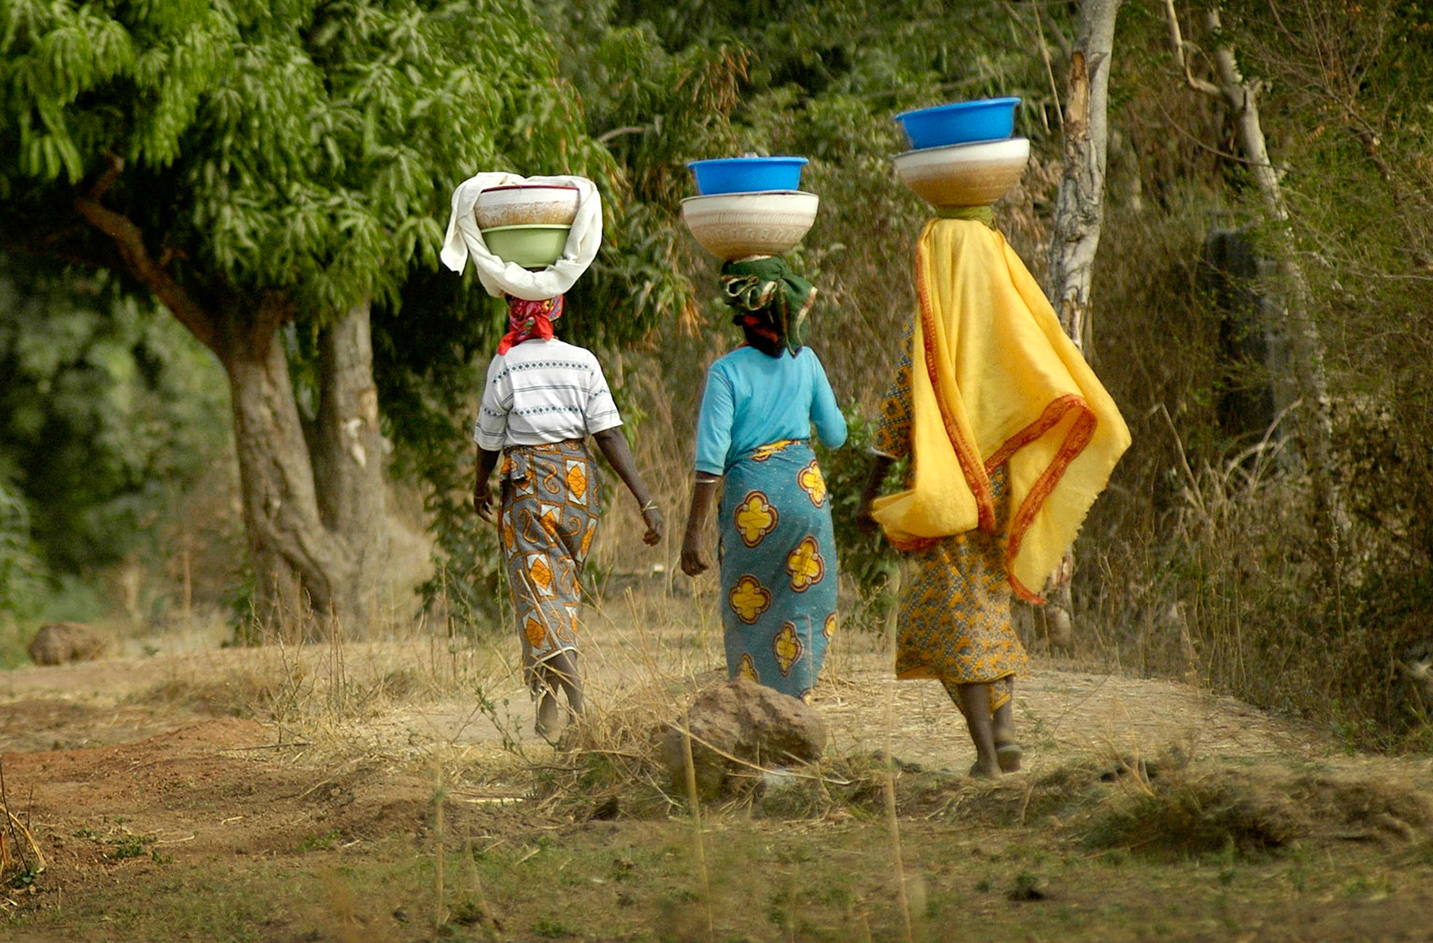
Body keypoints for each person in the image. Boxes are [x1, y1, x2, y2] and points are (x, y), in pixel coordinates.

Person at [856, 208, 1130, 778]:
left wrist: (868, 494)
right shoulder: (1010, 326)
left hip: (948, 493)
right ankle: (1004, 730)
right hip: (1003, 488)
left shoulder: (933, 338)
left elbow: (897, 416)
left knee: (953, 622)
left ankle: (986, 753)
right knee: (984, 608)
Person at [472, 295, 662, 739]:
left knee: (538, 594)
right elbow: (609, 433)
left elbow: (488, 438)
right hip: (579, 490)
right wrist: (645, 500)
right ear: (555, 312)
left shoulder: (507, 364)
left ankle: (575, 702)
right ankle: (546, 699)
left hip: (529, 487)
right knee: (561, 592)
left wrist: (479, 484)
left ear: (513, 313)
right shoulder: (583, 362)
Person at [678, 258, 847, 698]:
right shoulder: (806, 361)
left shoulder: (726, 372)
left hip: (752, 505)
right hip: (806, 495)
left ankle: (758, 707)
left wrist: (693, 533)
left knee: (751, 610)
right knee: (803, 604)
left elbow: (711, 459)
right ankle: (800, 704)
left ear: (745, 324)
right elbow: (836, 435)